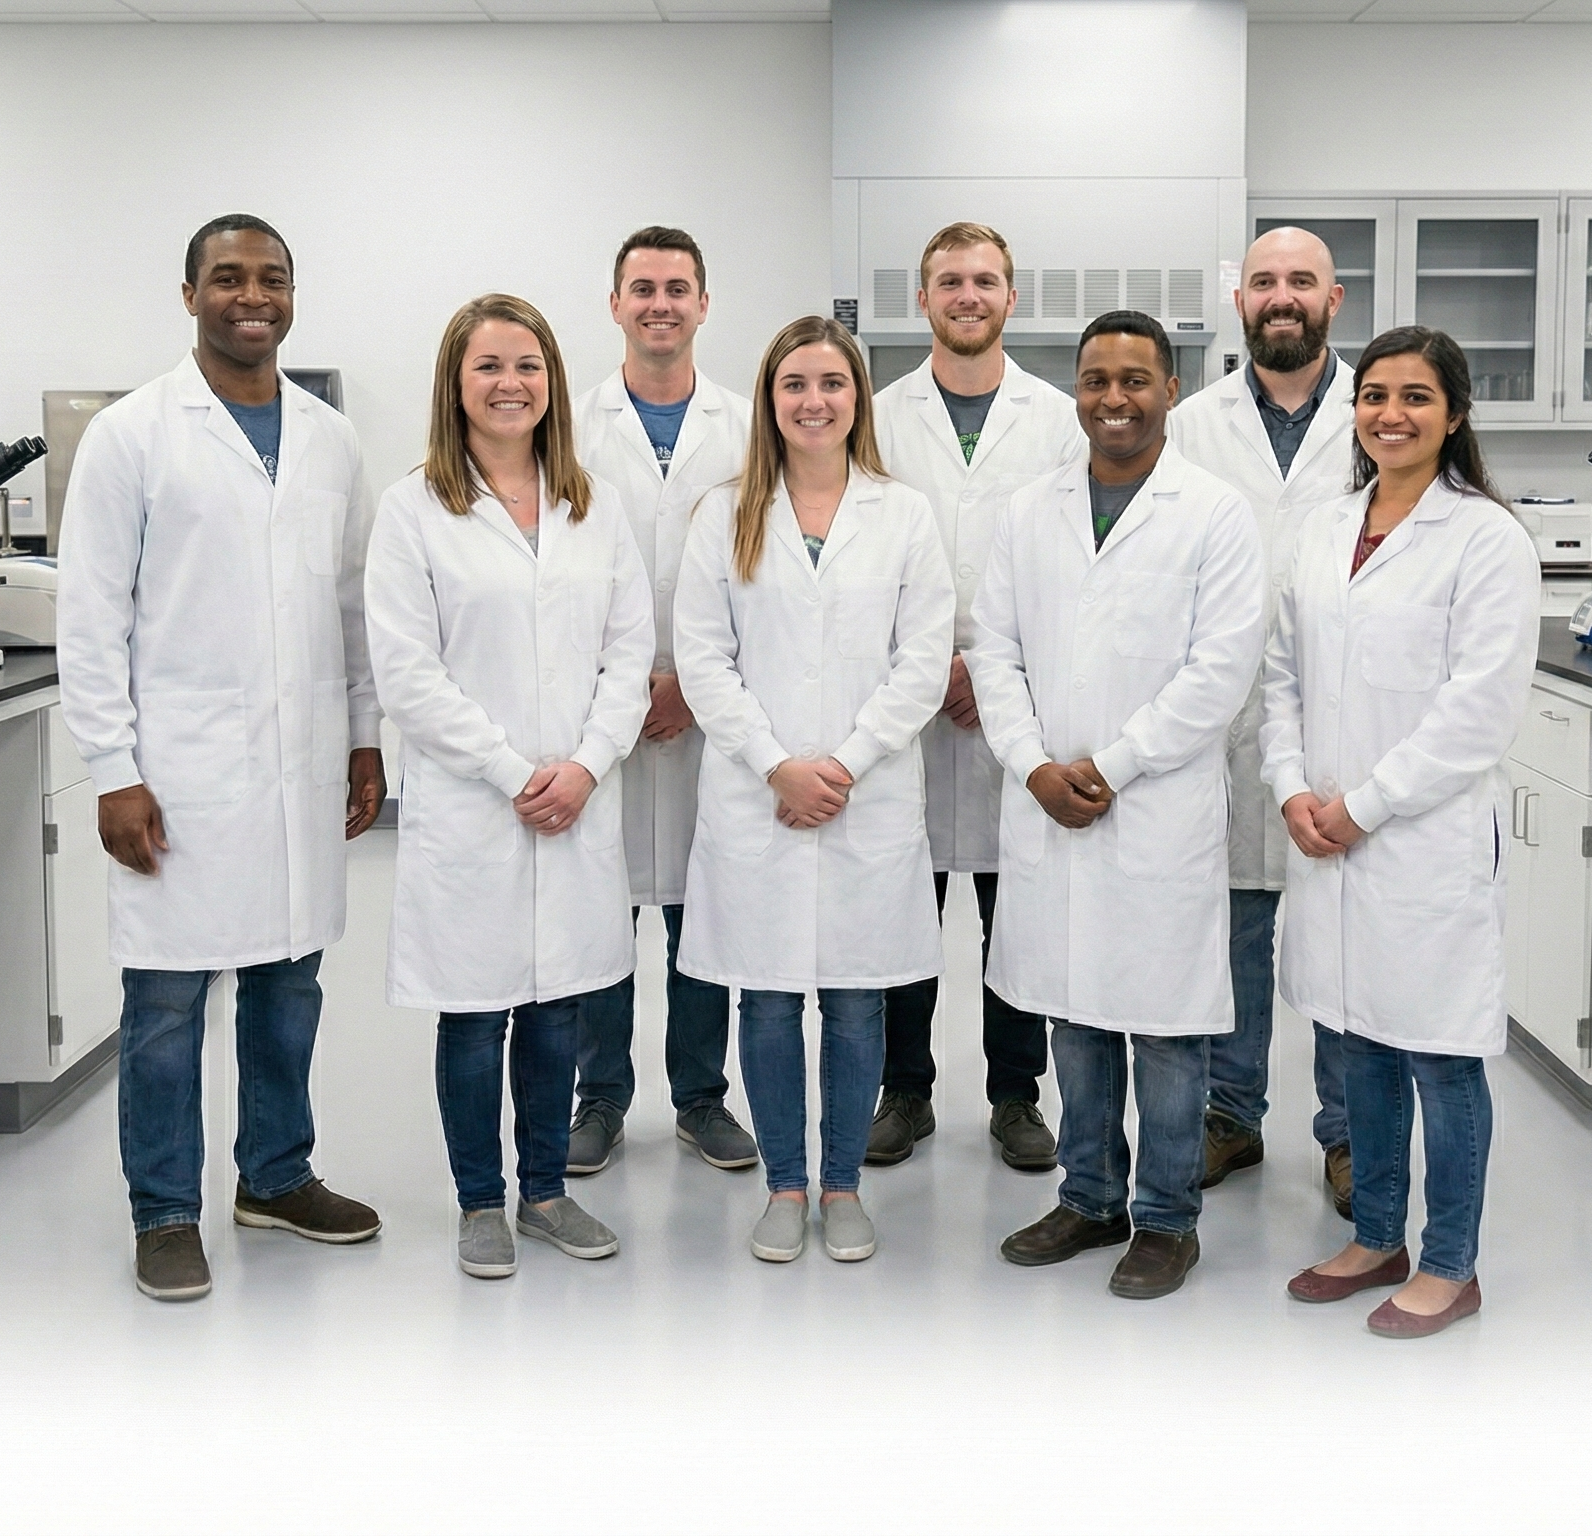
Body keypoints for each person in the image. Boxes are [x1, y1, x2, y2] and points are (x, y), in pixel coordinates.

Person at [56, 214, 384, 1302]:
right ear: (190, 292)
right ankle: (163, 1210)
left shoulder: (329, 439)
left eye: (272, 278)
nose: (254, 296)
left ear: (293, 294)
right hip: (180, 766)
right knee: (165, 1004)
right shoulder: (134, 434)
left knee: (290, 985)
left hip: (301, 759)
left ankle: (276, 1178)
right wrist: (113, 769)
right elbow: (92, 616)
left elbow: (351, 603)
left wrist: (365, 734)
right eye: (230, 278)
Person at [974, 312, 1265, 1300]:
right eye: (1095, 379)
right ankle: (1089, 1196)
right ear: (1075, 391)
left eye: (1134, 380)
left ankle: (1166, 1219)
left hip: (1155, 808)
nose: (1113, 398)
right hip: (1050, 801)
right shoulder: (1028, 511)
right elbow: (994, 651)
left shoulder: (1213, 513)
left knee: (1167, 1027)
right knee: (1075, 1012)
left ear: (1170, 391)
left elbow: (1218, 671)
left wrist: (1111, 764)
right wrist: (1032, 766)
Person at [364, 295, 652, 1280]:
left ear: (552, 383)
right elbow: (408, 674)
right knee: (476, 1012)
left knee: (557, 1004)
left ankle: (545, 1192)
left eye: (527, 365)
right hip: (475, 804)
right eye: (487, 366)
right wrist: (515, 772)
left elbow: (629, 653)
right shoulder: (413, 509)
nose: (509, 383)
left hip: (576, 795)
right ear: (455, 384)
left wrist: (585, 764)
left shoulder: (592, 503)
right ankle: (480, 1202)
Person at [1264, 327, 1538, 1337]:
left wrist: (1363, 806)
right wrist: (1290, 786)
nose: (1390, 414)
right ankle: (1375, 1236)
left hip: (1420, 842)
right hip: (1328, 833)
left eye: (1415, 397)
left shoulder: (1485, 540)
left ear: (1453, 414)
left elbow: (1476, 713)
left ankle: (1450, 1265)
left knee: (1440, 1057)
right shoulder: (1325, 528)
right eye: (1374, 395)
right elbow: (1282, 673)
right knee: (1358, 1047)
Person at [673, 316, 954, 1264]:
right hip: (759, 793)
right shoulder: (725, 513)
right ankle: (785, 1186)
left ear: (857, 399)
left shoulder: (903, 514)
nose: (814, 400)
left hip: (865, 794)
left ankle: (843, 1185)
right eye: (794, 383)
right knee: (765, 1000)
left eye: (832, 382)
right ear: (769, 400)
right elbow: (703, 659)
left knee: (857, 1000)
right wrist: (775, 765)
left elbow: (922, 661)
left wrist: (843, 763)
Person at [869, 223, 1086, 1171]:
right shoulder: (877, 416)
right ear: (922, 298)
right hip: (902, 708)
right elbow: (859, 552)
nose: (968, 295)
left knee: (1015, 913)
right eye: (950, 281)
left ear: (1010, 297)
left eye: (985, 281)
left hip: (1017, 703)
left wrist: (991, 668)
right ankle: (903, 1091)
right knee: (900, 907)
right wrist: (931, 664)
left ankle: (1015, 1096)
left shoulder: (1059, 421)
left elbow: (1071, 563)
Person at [1168, 226, 1359, 1215]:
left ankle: (1347, 1133)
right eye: (1264, 282)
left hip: (1344, 718)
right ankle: (1230, 1116)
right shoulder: (1191, 425)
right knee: (1236, 928)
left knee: (1337, 933)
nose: (1281, 296)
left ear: (1333, 298)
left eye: (1301, 281)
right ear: (1239, 299)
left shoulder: (1378, 413)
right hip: (1224, 719)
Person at [569, 227, 757, 1177]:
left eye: (677, 288)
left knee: (700, 910)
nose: (660, 305)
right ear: (615, 304)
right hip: (596, 705)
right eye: (642, 288)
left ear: (703, 304)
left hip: (705, 705)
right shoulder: (570, 425)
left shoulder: (747, 427)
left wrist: (693, 678)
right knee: (601, 910)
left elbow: (760, 566)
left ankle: (701, 1097)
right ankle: (599, 1098)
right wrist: (623, 683)